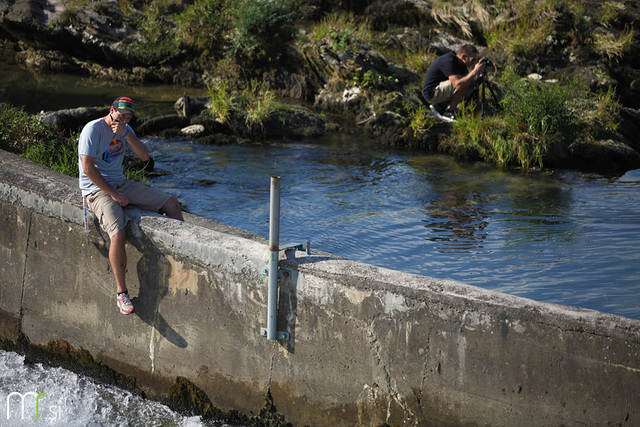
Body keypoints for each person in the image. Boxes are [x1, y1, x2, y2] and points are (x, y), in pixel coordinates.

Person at [78, 96, 184, 315]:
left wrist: (126, 133)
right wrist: (113, 193)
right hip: (97, 190)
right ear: (111, 110)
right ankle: (122, 294)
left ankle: (182, 257)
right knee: (118, 232)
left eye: (128, 117)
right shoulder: (93, 130)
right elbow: (88, 169)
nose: (124, 119)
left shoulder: (125, 129)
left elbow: (145, 157)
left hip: (121, 183)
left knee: (172, 203)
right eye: (121, 115)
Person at [422, 44, 486, 121]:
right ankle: (450, 111)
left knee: (470, 89)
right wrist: (474, 71)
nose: (473, 62)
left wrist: (480, 80)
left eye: (475, 59)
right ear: (463, 57)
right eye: (472, 59)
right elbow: (458, 85)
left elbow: (470, 82)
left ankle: (441, 106)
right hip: (431, 93)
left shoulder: (461, 64)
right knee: (462, 84)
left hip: (441, 90)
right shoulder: (449, 61)